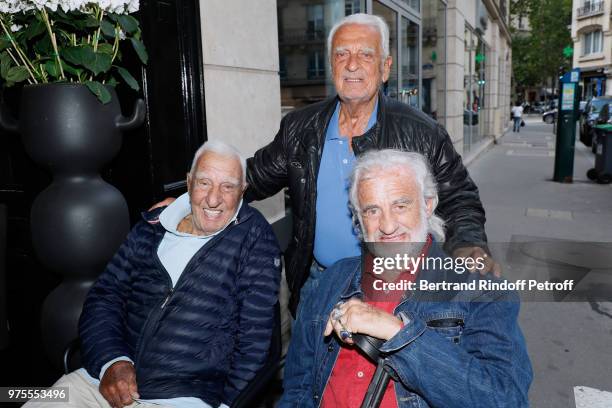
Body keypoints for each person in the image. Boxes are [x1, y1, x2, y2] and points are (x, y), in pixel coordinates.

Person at [154, 13, 498, 316]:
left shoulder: (421, 133)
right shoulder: (301, 128)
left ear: (385, 67)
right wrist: (190, 201)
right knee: (311, 383)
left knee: (381, 385)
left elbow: (459, 200)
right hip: (318, 283)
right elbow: (252, 177)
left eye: (366, 54)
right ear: (331, 64)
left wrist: (469, 245)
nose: (352, 64)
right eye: (342, 54)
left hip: (394, 284)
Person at [24, 141, 281, 408]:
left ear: (243, 191)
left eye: (228, 186)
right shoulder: (152, 226)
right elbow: (105, 297)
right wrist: (112, 361)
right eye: (204, 183)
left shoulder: (254, 241)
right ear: (189, 182)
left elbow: (255, 341)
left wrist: (227, 404)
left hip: (181, 398)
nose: (213, 199)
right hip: (100, 382)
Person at [280, 149, 532, 407]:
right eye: (372, 211)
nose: (388, 226)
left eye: (400, 206)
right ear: (358, 216)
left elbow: (506, 399)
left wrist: (398, 333)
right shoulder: (331, 281)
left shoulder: (482, 294)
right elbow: (298, 387)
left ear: (428, 204)